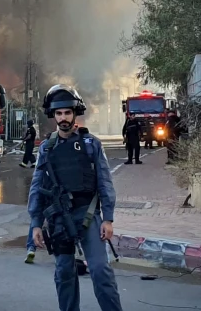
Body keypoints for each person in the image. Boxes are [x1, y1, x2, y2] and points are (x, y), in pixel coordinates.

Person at [28, 84, 123, 311]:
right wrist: (36, 224)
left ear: (75, 113)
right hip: (59, 218)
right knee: (64, 273)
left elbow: (104, 182)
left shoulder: (91, 145)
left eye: (67, 112)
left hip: (87, 215)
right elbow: (38, 186)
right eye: (59, 113)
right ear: (53, 116)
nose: (63, 118)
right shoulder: (47, 148)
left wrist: (108, 218)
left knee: (100, 270)